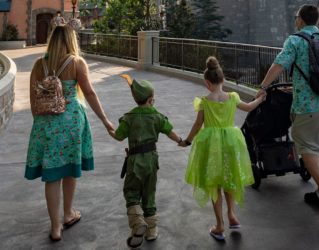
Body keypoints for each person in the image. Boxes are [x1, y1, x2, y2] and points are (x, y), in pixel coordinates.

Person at [25, 25, 114, 241]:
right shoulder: (76, 62)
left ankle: (55, 227)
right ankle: (68, 214)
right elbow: (89, 93)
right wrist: (105, 120)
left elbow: (33, 99)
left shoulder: (39, 65)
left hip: (46, 123)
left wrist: (40, 123)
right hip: (71, 121)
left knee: (52, 174)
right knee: (69, 169)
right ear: (70, 40)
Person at [256, 4, 319, 222]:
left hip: (308, 106)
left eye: (297, 17)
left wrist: (264, 87)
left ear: (301, 20)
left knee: (307, 149)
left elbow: (279, 65)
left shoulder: (295, 40)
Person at [179, 57, 265, 241]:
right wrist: (259, 98)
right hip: (230, 142)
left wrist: (187, 141)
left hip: (211, 146)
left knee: (214, 184)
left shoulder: (204, 102)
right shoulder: (232, 97)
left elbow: (197, 125)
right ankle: (232, 216)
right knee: (229, 179)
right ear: (223, 80)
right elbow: (249, 107)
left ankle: (219, 226)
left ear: (207, 83)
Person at [109, 75, 182, 249]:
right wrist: (181, 140)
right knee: (149, 193)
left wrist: (110, 128)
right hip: (151, 160)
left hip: (134, 162)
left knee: (131, 192)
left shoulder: (130, 117)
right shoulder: (156, 116)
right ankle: (151, 230)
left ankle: (137, 222)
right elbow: (170, 131)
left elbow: (118, 136)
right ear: (150, 99)